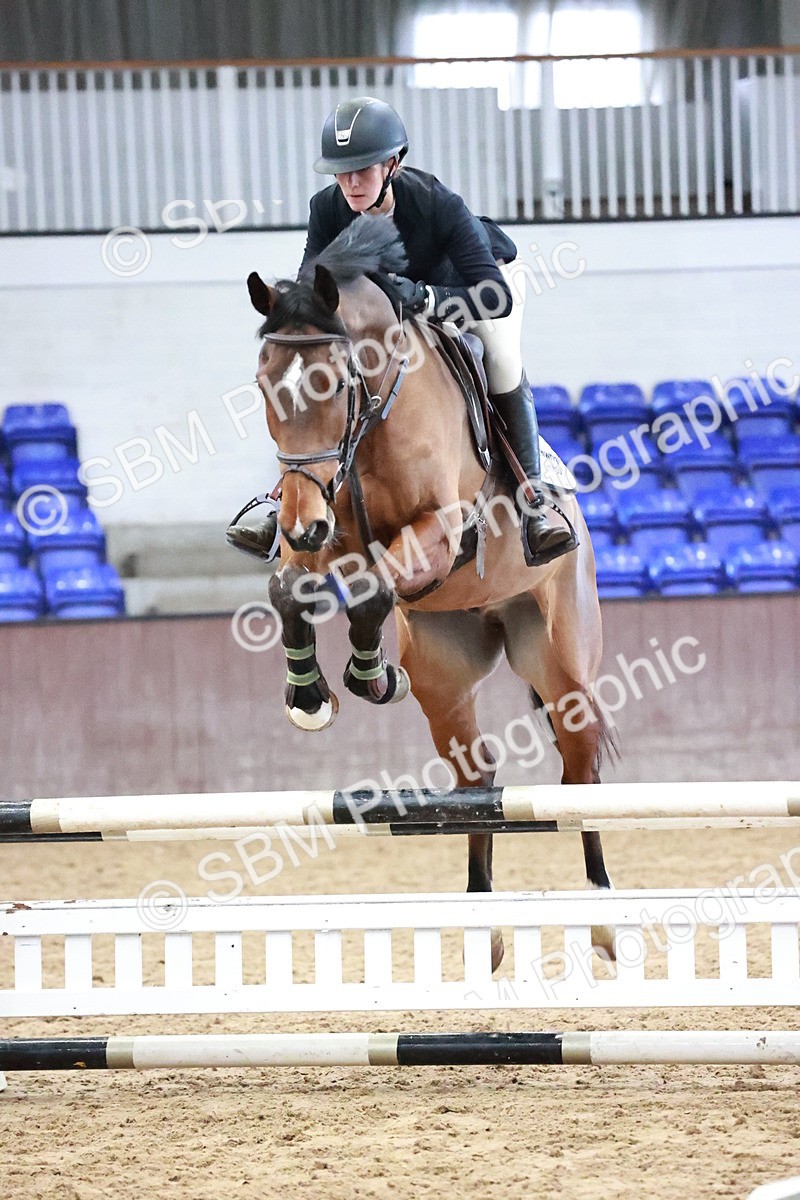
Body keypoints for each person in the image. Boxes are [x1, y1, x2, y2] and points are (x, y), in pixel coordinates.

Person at [228, 96, 576, 567]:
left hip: (466, 289)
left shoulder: (435, 203)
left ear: (392, 164)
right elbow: (312, 291)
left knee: (500, 356)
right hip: (390, 314)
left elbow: (496, 297)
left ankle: (534, 504)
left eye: (362, 170)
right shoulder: (326, 207)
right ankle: (281, 504)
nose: (351, 183)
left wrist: (427, 298)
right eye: (341, 172)